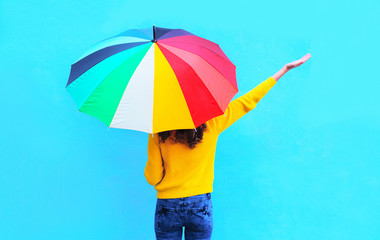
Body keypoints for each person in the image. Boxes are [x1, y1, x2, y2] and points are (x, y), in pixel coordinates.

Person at [144, 53, 312, 240]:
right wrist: (283, 70)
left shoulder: (158, 132)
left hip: (168, 206)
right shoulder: (213, 124)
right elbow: (247, 102)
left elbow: (152, 177)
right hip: (200, 205)